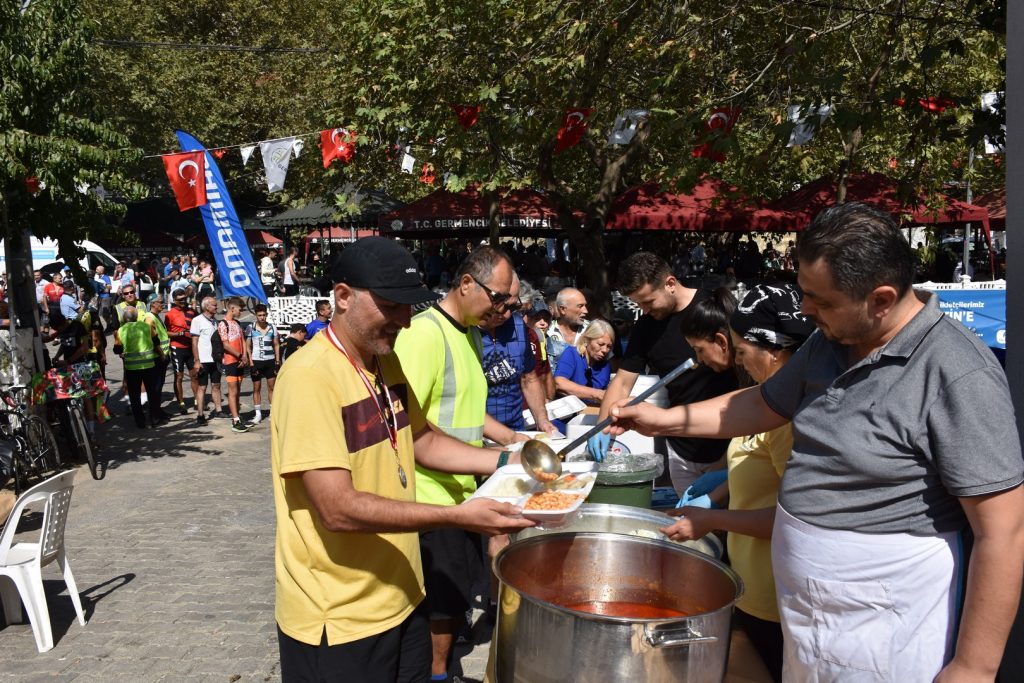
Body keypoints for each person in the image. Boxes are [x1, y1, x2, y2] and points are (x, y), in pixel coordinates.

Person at [608, 203, 1024, 681]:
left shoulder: (958, 371)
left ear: (881, 300)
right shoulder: (829, 343)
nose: (805, 310)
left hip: (885, 623)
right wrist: (662, 421)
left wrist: (974, 666)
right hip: (810, 616)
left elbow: (1003, 531)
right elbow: (761, 403)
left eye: (820, 300)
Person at [271, 237, 534, 683]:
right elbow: (337, 509)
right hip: (340, 617)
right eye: (391, 306)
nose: (405, 321)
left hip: (403, 594)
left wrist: (508, 461)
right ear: (343, 296)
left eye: (409, 307)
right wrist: (458, 516)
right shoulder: (309, 377)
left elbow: (423, 441)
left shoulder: (384, 363)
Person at [666, 284, 813, 682]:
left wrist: (711, 520)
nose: (740, 362)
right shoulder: (762, 399)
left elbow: (792, 518)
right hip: (751, 584)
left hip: (775, 594)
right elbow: (753, 468)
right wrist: (715, 496)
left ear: (774, 350)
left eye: (744, 352)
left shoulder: (786, 419)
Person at [393, 245, 523, 681]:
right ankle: (437, 675)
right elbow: (409, 423)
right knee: (442, 604)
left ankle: (442, 669)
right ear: (467, 283)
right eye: (498, 298)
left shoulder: (470, 332)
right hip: (429, 495)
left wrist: (509, 438)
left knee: (455, 598)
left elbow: (463, 405)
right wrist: (496, 457)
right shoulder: (423, 334)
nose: (502, 309)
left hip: (463, 489)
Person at [589, 252, 737, 493]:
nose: (644, 310)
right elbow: (622, 382)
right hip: (681, 445)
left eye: (648, 302)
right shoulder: (646, 327)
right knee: (688, 512)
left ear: (670, 283)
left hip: (729, 437)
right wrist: (601, 427)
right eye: (638, 304)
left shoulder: (712, 308)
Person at [479, 274, 557, 439]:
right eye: (503, 306)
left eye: (514, 308)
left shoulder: (518, 325)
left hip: (517, 429)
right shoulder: (466, 330)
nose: (507, 315)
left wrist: (542, 420)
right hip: (478, 435)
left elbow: (529, 378)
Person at [113, 306, 166, 429]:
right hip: (149, 365)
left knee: (134, 395)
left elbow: (117, 349)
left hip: (131, 368)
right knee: (152, 393)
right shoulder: (146, 327)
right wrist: (161, 355)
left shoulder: (121, 330)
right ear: (137, 316)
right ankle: (154, 419)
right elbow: (156, 342)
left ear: (124, 318)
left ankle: (140, 421)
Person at [553, 318, 614, 416]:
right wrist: (597, 394)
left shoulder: (604, 366)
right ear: (587, 340)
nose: (605, 350)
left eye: (609, 346)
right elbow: (559, 383)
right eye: (601, 344)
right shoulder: (572, 354)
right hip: (565, 417)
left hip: (591, 416)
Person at [190, 296, 225, 425]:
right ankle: (200, 415)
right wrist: (197, 360)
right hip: (203, 360)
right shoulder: (197, 320)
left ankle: (219, 410)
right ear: (206, 306)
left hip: (215, 359)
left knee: (216, 385)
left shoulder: (215, 321)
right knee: (202, 387)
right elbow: (194, 342)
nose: (217, 307)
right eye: (214, 305)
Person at [218, 297, 250, 433]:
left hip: (240, 361)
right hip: (230, 361)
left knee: (238, 391)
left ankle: (238, 416)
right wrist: (239, 355)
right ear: (232, 309)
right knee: (232, 392)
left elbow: (242, 340)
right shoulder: (223, 324)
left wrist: (244, 356)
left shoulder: (237, 323)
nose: (240, 312)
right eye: (239, 310)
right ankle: (235, 420)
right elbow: (225, 345)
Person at [245, 303, 279, 425]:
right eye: (260, 315)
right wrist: (251, 363)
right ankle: (258, 414)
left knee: (272, 387)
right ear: (256, 315)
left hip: (270, 360)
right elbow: (247, 346)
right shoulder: (251, 327)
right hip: (256, 361)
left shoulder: (272, 327)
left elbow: (276, 344)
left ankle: (273, 413)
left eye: (264, 315)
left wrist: (277, 361)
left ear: (267, 315)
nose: (262, 317)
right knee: (256, 388)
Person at [164, 291, 198, 413]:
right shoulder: (169, 314)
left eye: (184, 298)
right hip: (177, 348)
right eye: (180, 299)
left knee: (194, 375)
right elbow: (166, 333)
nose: (183, 301)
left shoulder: (192, 312)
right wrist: (181, 333)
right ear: (174, 301)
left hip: (190, 348)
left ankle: (197, 401)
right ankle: (181, 403)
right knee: (179, 376)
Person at [546, 287, 587, 367]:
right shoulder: (548, 332)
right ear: (562, 309)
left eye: (585, 305)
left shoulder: (592, 329)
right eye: (580, 306)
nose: (585, 311)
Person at [93, 265, 113, 329]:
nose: (96, 271)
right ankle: (107, 326)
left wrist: (103, 289)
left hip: (105, 297)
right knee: (101, 314)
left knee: (106, 314)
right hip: (100, 297)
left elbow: (110, 287)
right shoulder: (97, 277)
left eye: (97, 269)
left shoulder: (106, 277)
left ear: (101, 271)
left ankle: (109, 327)